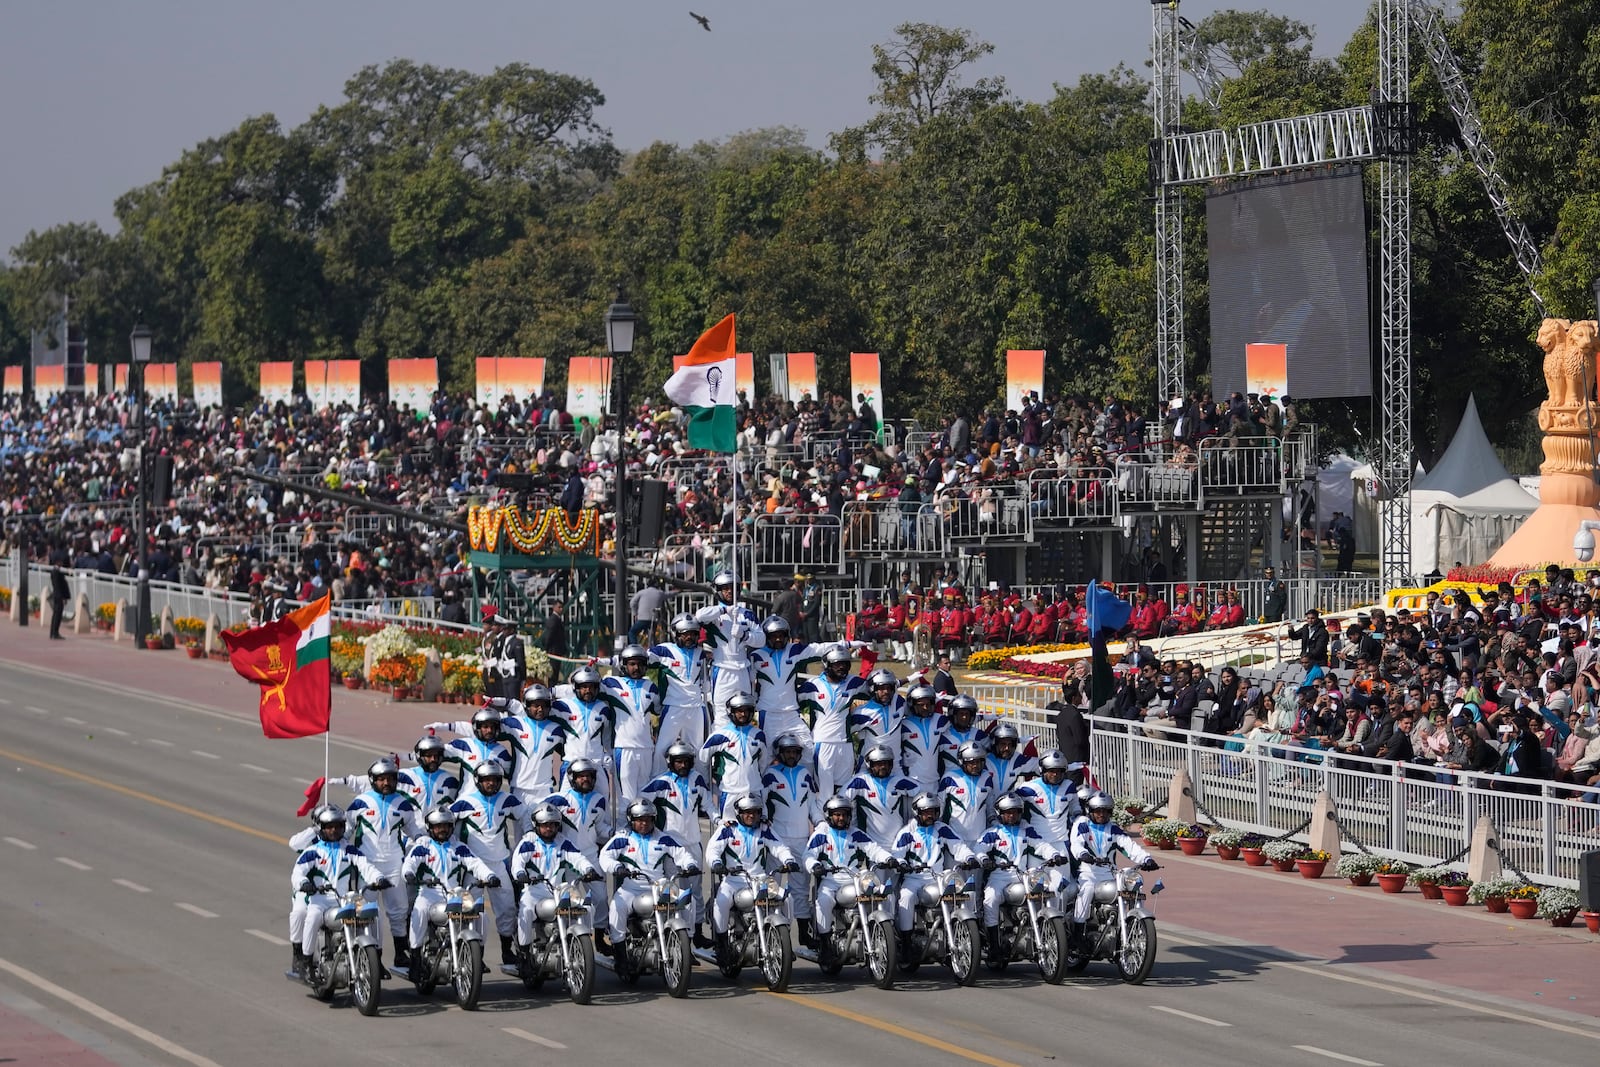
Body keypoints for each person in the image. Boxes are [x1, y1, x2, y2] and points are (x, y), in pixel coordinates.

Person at [343, 757, 425, 972]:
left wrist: (425, 839)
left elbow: (414, 830)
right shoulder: (360, 803)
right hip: (366, 865)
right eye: (381, 779)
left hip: (394, 863)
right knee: (367, 912)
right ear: (372, 780)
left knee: (399, 911)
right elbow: (345, 832)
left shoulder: (404, 803)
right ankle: (372, 959)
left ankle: (401, 954)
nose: (386, 782)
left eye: (390, 778)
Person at [290, 804, 386, 982]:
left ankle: (376, 959)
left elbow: (366, 867)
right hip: (320, 899)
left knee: (375, 912)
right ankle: (306, 962)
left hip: (346, 898)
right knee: (310, 918)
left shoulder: (349, 850)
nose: (333, 830)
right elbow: (297, 873)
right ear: (321, 828)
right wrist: (303, 883)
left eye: (337, 826)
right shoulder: (312, 852)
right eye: (329, 826)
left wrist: (378, 878)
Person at [448, 760, 531, 964]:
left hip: (500, 863)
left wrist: (529, 835)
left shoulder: (507, 799)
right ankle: (476, 956)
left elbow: (525, 815)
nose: (491, 783)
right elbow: (445, 820)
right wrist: (455, 848)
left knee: (508, 909)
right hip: (473, 866)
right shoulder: (465, 801)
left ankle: (506, 950)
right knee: (471, 911)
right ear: (478, 780)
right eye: (486, 780)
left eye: (495, 780)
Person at [402, 806, 499, 978]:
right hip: (429, 893)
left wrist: (490, 875)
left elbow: (475, 864)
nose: (442, 829)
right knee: (419, 912)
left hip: (455, 894)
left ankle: (477, 957)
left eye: (446, 825)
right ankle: (415, 960)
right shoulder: (422, 846)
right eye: (438, 826)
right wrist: (408, 874)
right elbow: (410, 864)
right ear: (430, 827)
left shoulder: (459, 847)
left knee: (481, 915)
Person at [599, 801, 701, 963]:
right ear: (631, 820)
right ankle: (620, 954)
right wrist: (617, 867)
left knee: (689, 900)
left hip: (659, 886)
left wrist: (690, 865)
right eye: (639, 819)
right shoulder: (622, 838)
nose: (644, 823)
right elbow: (605, 856)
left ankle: (686, 947)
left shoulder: (663, 838)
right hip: (631, 888)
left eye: (648, 819)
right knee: (616, 907)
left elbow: (682, 853)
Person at [639, 740, 716, 946]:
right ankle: (677, 937)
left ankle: (697, 933)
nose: (683, 766)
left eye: (686, 762)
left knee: (696, 890)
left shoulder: (697, 779)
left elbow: (708, 804)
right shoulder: (661, 783)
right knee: (675, 891)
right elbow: (640, 802)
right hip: (671, 846)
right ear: (670, 762)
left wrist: (720, 820)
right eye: (678, 762)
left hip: (694, 843)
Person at [976, 793, 1068, 961]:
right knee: (990, 899)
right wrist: (984, 859)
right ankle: (994, 945)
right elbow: (979, 848)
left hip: (1022, 875)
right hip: (999, 876)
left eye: (1016, 812)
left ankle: (1043, 934)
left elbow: (1041, 845)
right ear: (1000, 813)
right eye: (1007, 812)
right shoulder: (993, 832)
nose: (1012, 816)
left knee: (1045, 891)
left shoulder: (1027, 830)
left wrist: (1054, 854)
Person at [706, 795, 800, 958]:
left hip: (760, 879)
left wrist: (789, 860)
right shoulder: (728, 829)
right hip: (733, 880)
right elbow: (712, 850)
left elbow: (779, 847)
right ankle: (721, 944)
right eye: (747, 812)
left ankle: (783, 941)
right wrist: (716, 863)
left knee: (787, 898)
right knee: (721, 902)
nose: (752, 816)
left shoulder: (764, 829)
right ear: (739, 813)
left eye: (755, 812)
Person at [889, 793, 977, 956]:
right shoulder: (907, 832)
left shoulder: (942, 828)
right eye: (926, 811)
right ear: (917, 811)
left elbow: (958, 845)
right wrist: (901, 864)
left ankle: (964, 935)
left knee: (963, 894)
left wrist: (970, 857)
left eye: (933, 811)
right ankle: (907, 942)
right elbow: (897, 853)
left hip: (938, 877)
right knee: (905, 898)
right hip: (914, 877)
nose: (930, 815)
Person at [1067, 794, 1158, 951]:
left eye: (1106, 811)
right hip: (1087, 871)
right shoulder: (1082, 824)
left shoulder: (1113, 828)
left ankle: (1133, 927)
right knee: (1087, 889)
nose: (1102, 814)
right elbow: (1076, 844)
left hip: (1110, 873)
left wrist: (1146, 859)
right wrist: (1083, 854)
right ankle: (1078, 930)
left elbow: (1129, 846)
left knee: (1133, 887)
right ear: (1090, 811)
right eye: (1098, 811)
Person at [510, 805, 602, 954]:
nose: (549, 828)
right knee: (525, 911)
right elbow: (517, 863)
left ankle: (579, 944)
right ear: (536, 825)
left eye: (553, 825)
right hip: (535, 891)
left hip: (560, 891)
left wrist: (589, 869)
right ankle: (525, 954)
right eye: (545, 825)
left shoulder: (563, 842)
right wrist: (520, 874)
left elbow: (578, 858)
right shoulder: (528, 843)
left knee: (585, 908)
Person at [761, 732, 823, 944]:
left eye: (794, 752)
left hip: (801, 839)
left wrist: (820, 822)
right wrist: (764, 821)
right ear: (780, 753)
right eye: (787, 752)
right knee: (773, 888)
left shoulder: (805, 773)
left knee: (800, 889)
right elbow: (763, 802)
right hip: (777, 839)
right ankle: (774, 935)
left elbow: (812, 805)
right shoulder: (770, 774)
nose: (791, 755)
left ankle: (804, 935)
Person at [805, 796, 893, 947]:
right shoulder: (821, 835)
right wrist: (814, 865)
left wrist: (888, 859)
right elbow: (808, 855)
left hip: (855, 879)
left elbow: (873, 849)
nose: (841, 818)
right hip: (830, 881)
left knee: (879, 892)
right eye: (837, 815)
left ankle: (881, 933)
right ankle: (825, 944)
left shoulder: (856, 834)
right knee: (823, 902)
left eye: (844, 815)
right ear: (829, 815)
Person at [649, 614, 713, 775]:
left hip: (696, 707)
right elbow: (639, 657)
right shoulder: (665, 650)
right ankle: (658, 784)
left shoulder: (702, 654)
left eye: (692, 633)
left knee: (697, 749)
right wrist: (607, 662)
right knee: (661, 749)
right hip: (673, 707)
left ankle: (699, 785)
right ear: (676, 634)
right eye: (685, 633)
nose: (689, 637)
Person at [801, 645, 867, 797]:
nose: (842, 667)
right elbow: (791, 705)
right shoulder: (812, 686)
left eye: (845, 663)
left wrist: (908, 679)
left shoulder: (854, 682)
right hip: (822, 744)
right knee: (825, 794)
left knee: (844, 792)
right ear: (827, 664)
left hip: (846, 744)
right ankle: (823, 821)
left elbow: (880, 688)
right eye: (837, 664)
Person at [601, 645, 662, 803]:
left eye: (640, 664)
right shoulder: (611, 684)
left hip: (646, 748)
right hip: (623, 747)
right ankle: (623, 827)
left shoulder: (651, 687)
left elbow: (659, 710)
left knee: (644, 796)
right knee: (625, 797)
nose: (636, 668)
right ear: (623, 665)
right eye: (632, 664)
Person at [695, 572, 760, 715]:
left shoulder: (747, 614)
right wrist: (724, 610)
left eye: (733, 587)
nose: (730, 591)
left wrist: (745, 635)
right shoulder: (714, 613)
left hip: (743, 668)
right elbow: (699, 616)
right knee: (721, 712)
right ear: (718, 591)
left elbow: (761, 640)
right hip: (722, 668)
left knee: (745, 710)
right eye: (725, 588)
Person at [839, 742, 922, 847]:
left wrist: (913, 823)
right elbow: (840, 800)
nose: (883, 767)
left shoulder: (899, 781)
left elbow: (924, 795)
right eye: (878, 764)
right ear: (870, 764)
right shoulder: (861, 781)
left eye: (886, 763)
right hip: (872, 847)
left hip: (898, 845)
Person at [553, 666, 616, 799]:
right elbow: (543, 700)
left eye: (592, 687)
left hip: (596, 764)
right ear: (575, 687)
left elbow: (606, 738)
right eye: (583, 686)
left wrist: (609, 756)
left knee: (602, 802)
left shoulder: (603, 708)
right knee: (565, 803)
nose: (588, 690)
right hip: (571, 762)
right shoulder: (562, 706)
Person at [702, 694, 768, 818]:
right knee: (728, 831)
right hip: (729, 792)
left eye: (746, 711)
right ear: (731, 711)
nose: (743, 714)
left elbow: (763, 763)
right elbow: (702, 759)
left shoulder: (759, 735)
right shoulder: (720, 735)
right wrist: (708, 782)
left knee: (756, 832)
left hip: (754, 791)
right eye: (739, 711)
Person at [546, 758, 612, 865]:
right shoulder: (558, 800)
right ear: (573, 778)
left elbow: (600, 828)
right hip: (567, 856)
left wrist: (611, 832)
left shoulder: (599, 800)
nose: (586, 779)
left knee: (599, 881)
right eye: (581, 776)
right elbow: (537, 816)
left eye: (588, 776)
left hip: (591, 856)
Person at [1016, 751, 1085, 847]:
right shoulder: (1028, 788)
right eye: (1051, 771)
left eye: (1059, 771)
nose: (1055, 774)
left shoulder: (1069, 786)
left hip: (1062, 842)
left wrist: (1077, 814)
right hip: (1037, 844)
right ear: (1042, 770)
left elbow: (1074, 805)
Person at [442, 707, 515, 795]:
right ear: (477, 727)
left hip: (490, 804)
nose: (489, 730)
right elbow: (437, 753)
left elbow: (514, 776)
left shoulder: (502, 752)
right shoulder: (464, 745)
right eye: (485, 727)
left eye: (492, 727)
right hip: (466, 800)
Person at [847, 670, 907, 773]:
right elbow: (844, 735)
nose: (886, 692)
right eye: (881, 688)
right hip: (870, 767)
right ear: (872, 688)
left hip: (896, 767)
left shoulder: (899, 703)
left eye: (889, 688)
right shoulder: (863, 712)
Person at [939, 741, 998, 844]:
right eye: (971, 762)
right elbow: (940, 807)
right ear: (962, 762)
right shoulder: (950, 778)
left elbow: (990, 807)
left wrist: (995, 823)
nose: (975, 766)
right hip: (954, 840)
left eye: (978, 762)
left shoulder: (987, 777)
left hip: (979, 841)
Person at [898, 684, 945, 788]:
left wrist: (986, 717)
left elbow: (961, 718)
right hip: (911, 782)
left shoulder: (939, 720)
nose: (925, 708)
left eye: (928, 704)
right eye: (920, 704)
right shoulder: (904, 725)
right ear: (911, 704)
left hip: (935, 783)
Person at [628, 578, 668, 646]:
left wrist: (635, 613)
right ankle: (653, 648)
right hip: (654, 618)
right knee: (652, 635)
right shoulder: (659, 593)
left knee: (632, 632)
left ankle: (634, 647)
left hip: (642, 619)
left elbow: (632, 603)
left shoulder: (642, 592)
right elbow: (669, 594)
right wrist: (678, 591)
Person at [47, 545, 69, 640]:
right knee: (57, 615)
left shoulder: (55, 572)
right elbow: (58, 586)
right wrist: (62, 597)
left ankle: (53, 632)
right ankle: (55, 632)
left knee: (56, 615)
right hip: (58, 596)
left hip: (57, 595)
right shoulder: (56, 572)